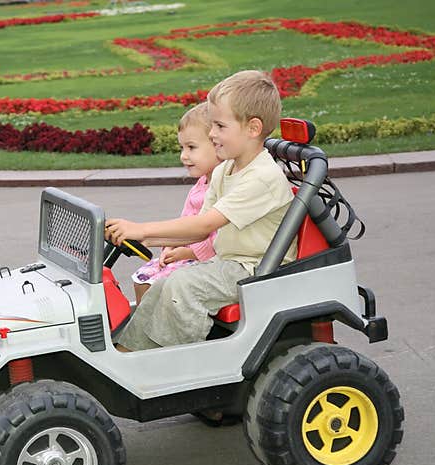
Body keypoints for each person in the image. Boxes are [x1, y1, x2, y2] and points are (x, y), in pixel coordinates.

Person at [105, 69, 297, 357]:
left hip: (257, 268)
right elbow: (195, 228)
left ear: (253, 128)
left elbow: (206, 224)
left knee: (183, 287)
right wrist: (142, 238)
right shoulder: (225, 170)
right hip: (231, 261)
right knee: (164, 285)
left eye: (220, 126)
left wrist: (142, 230)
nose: (211, 133)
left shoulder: (262, 177)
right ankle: (130, 354)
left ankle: (181, 362)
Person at [131, 102, 222, 305]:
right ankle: (144, 326)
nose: (184, 156)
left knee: (157, 285)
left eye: (191, 148)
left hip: (209, 259)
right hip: (188, 252)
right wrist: (170, 245)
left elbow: (218, 237)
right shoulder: (201, 185)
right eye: (182, 148)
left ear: (218, 145)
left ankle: (159, 329)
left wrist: (188, 252)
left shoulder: (225, 187)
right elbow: (186, 221)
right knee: (142, 278)